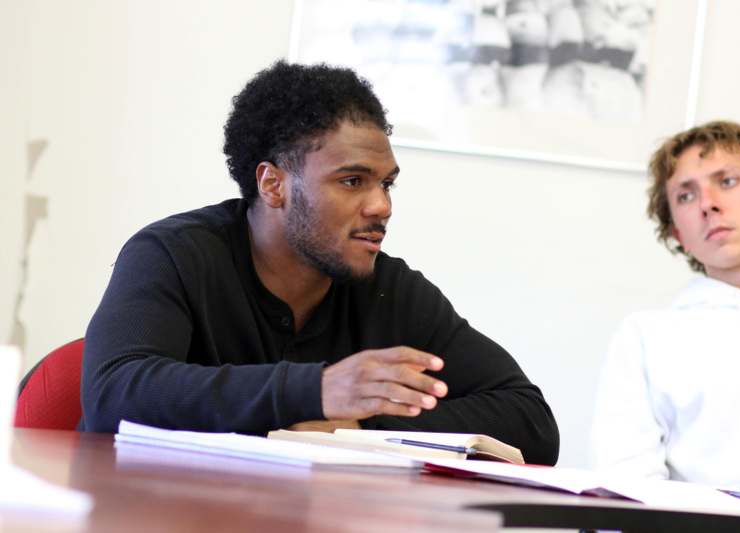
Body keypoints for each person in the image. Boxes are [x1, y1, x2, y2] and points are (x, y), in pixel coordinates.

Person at [80, 60, 559, 465]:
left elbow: (532, 421)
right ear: (273, 185)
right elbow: (114, 393)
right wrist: (317, 389)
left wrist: (362, 423)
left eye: (386, 184)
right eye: (353, 181)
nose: (381, 206)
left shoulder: (391, 290)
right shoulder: (175, 254)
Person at [591, 121, 740, 491]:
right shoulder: (647, 338)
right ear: (678, 235)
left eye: (727, 181)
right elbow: (624, 488)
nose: (708, 204)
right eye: (686, 196)